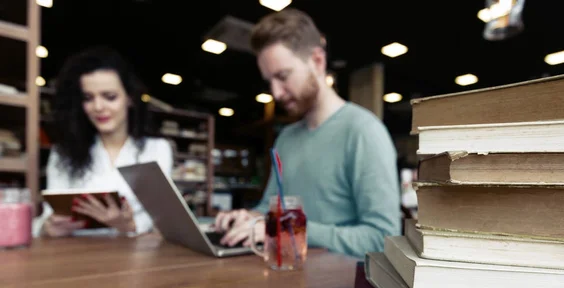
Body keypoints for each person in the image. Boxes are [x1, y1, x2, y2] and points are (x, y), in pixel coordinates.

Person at [215, 9, 400, 258]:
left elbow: (382, 239)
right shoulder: (286, 138)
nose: (276, 92)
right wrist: (249, 217)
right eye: (269, 81)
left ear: (317, 61)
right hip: (285, 274)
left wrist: (289, 229)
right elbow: (270, 207)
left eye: (283, 76)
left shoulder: (364, 132)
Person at [33, 47, 173, 238]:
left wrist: (130, 225)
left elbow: (162, 220)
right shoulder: (63, 152)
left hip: (134, 258)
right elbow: (49, 217)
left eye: (110, 97)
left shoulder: (156, 149)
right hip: (74, 256)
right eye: (88, 98)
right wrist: (47, 228)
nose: (98, 107)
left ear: (130, 98)